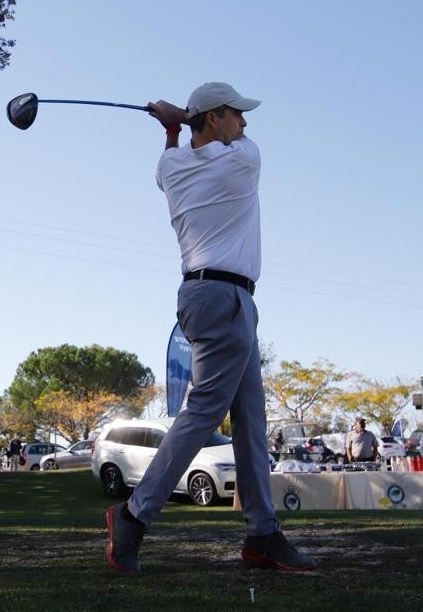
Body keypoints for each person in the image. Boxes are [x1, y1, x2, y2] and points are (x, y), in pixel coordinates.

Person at [104, 83, 316, 573]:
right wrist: (180, 120)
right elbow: (232, 144)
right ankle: (133, 517)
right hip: (225, 297)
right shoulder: (242, 160)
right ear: (216, 118)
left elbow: (169, 164)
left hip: (209, 295)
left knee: (250, 419)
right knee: (203, 414)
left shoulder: (171, 166)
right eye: (238, 114)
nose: (246, 123)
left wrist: (174, 130)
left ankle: (262, 534)